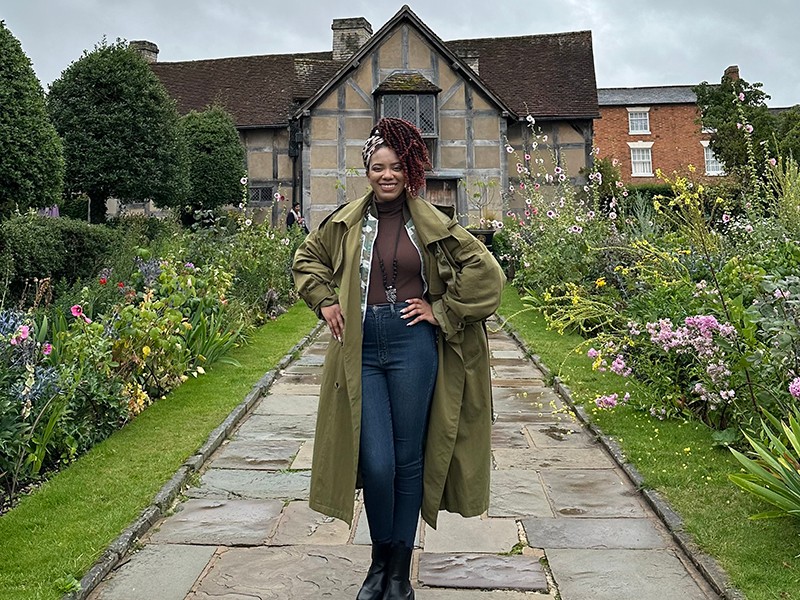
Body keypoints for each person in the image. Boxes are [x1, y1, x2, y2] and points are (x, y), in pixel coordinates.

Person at [292, 118, 505, 599]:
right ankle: (377, 561)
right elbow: (307, 259)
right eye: (376, 167)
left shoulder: (431, 220)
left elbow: (486, 274)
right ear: (366, 172)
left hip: (412, 345)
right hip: (361, 348)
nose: (385, 175)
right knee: (377, 461)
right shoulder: (345, 220)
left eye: (394, 167)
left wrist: (442, 310)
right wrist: (325, 300)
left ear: (408, 170)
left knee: (408, 461)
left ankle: (397, 573)